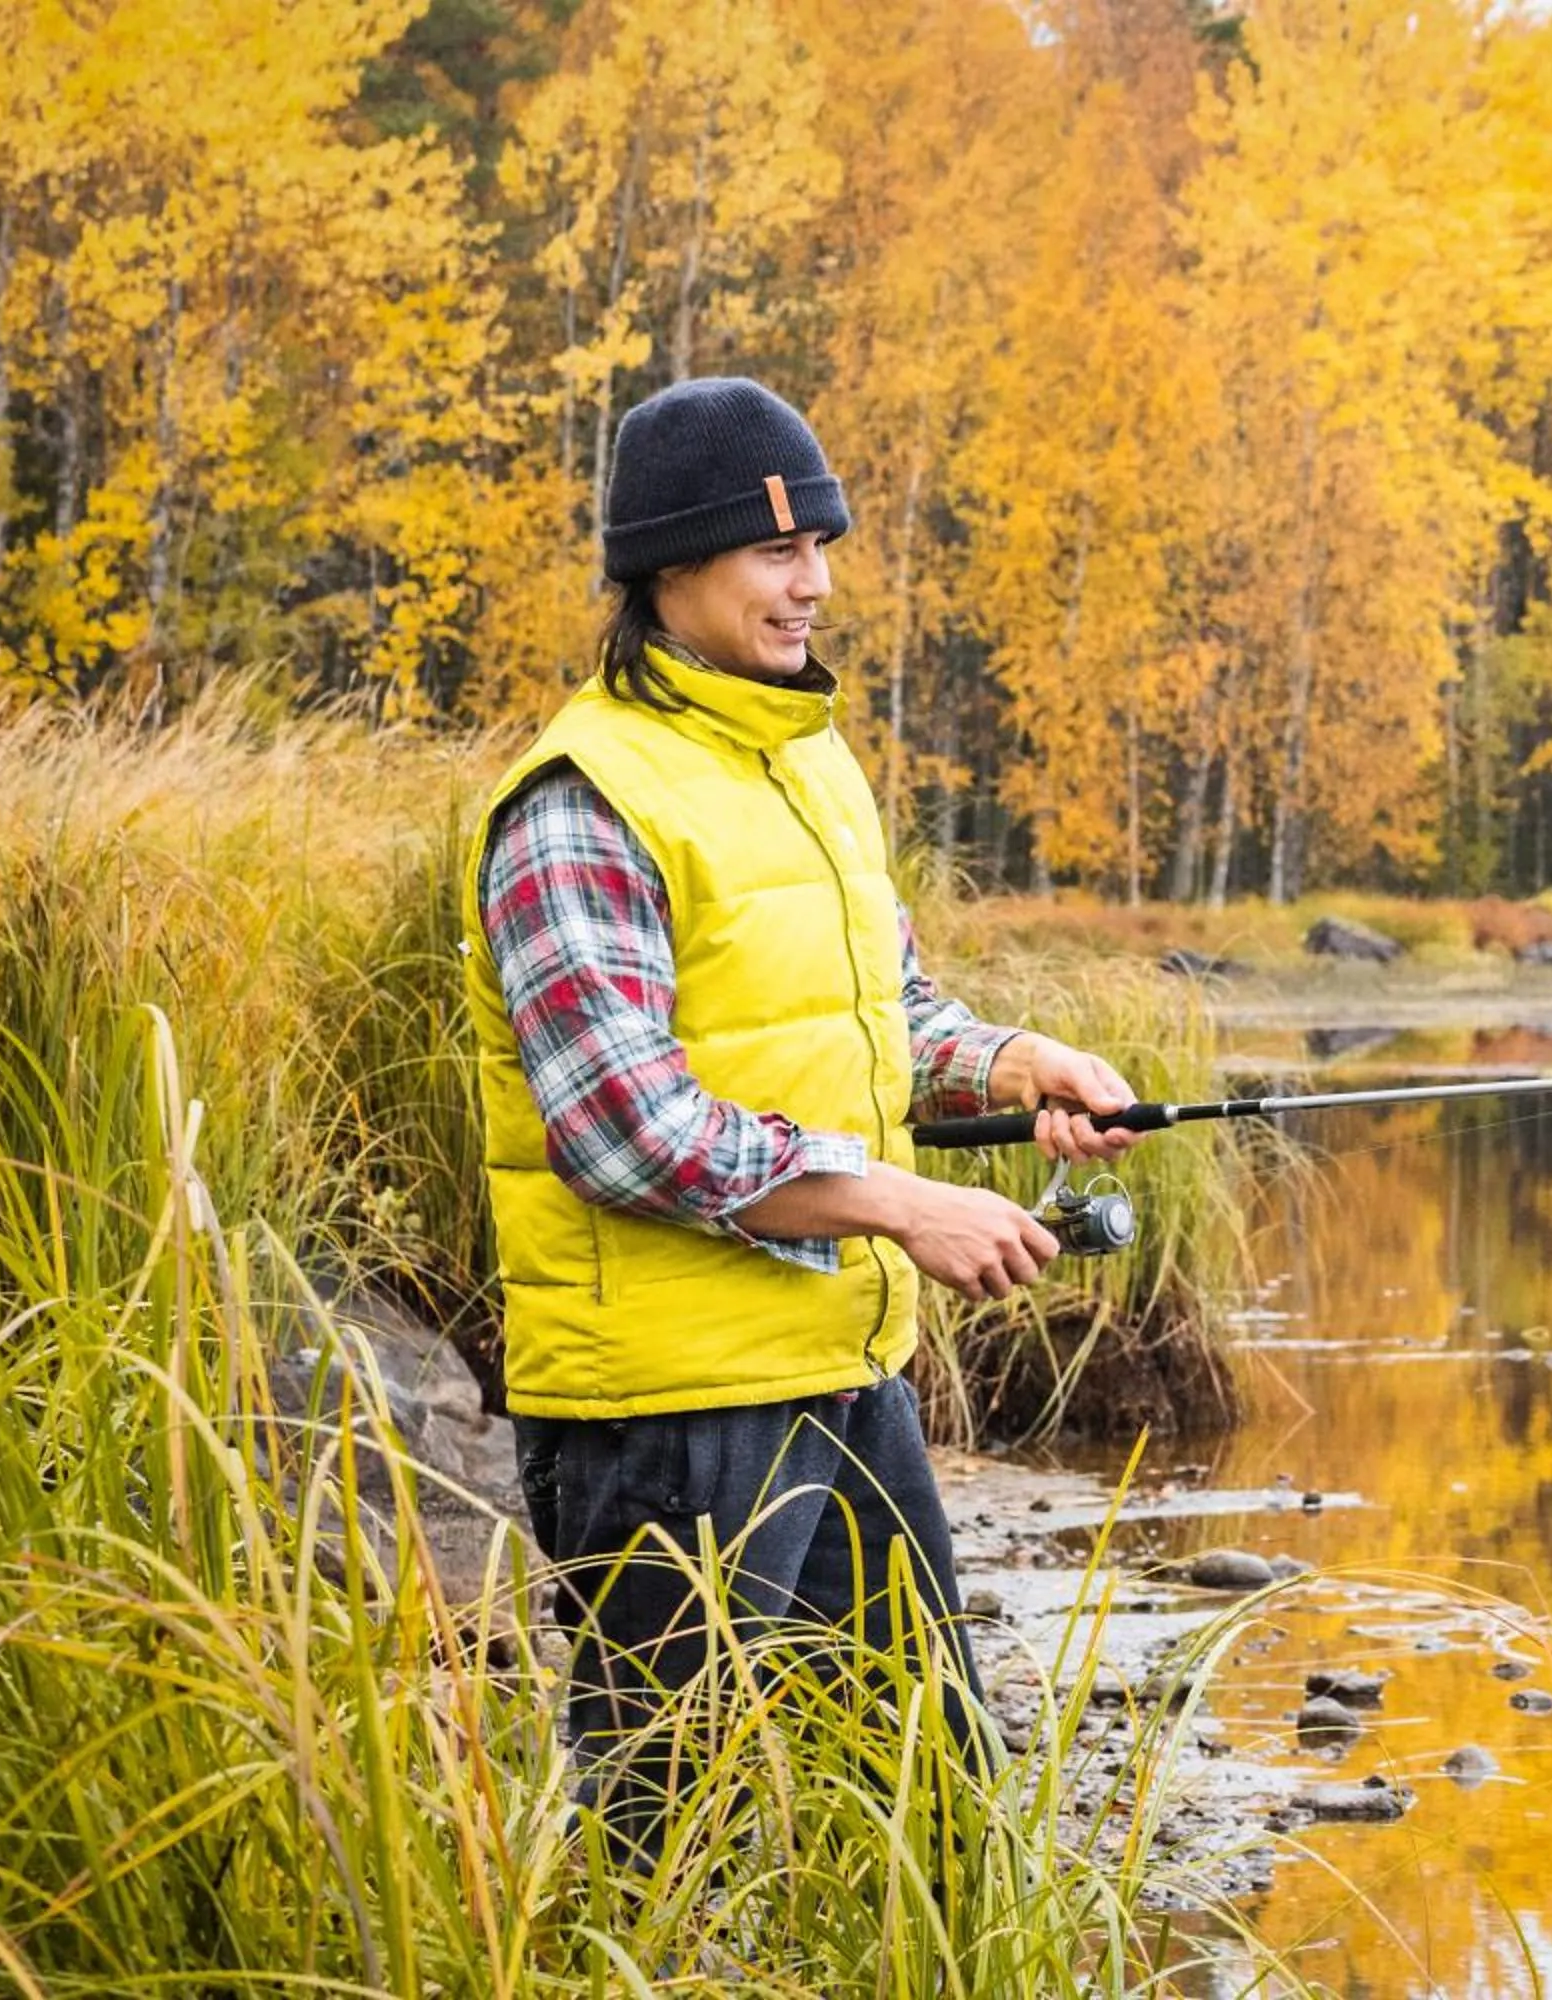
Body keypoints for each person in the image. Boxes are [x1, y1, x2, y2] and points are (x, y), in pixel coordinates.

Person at [459, 375, 1136, 1858]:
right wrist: (907, 1205)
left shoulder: (811, 767)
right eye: (776, 553)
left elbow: (890, 1028)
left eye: (822, 547)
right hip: (658, 1415)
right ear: (667, 571)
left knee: (928, 1836)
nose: (814, 583)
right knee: (667, 1857)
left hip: (843, 1378)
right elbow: (630, 1130)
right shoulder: (579, 802)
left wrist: (1029, 1067)